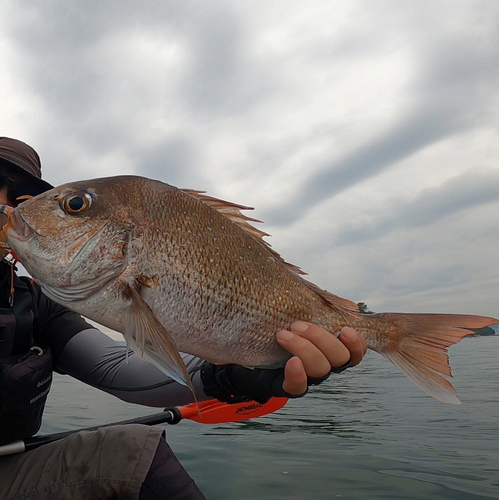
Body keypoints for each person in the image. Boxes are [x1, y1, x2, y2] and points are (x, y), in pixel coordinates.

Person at [0, 137, 367, 500]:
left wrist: (227, 374)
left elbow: (117, 369)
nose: (8, 205)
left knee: (135, 457)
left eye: (20, 197)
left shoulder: (36, 301)